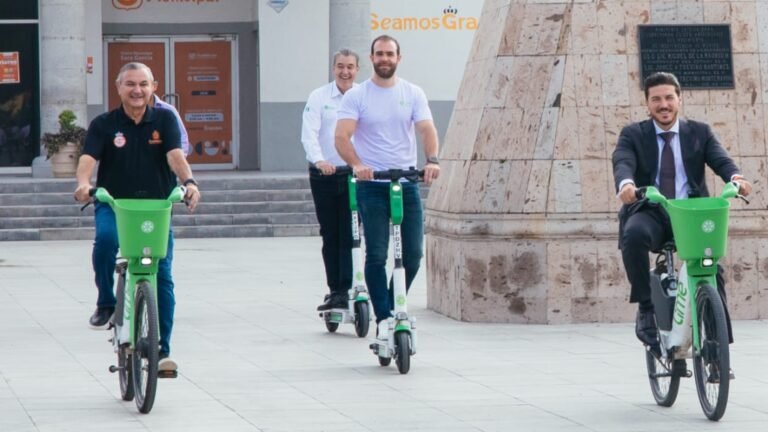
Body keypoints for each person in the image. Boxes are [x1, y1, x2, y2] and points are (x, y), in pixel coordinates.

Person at [74, 62, 201, 373]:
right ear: (119, 88)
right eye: (130, 84)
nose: (137, 90)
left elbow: (175, 155)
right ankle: (106, 301)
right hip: (114, 203)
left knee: (163, 275)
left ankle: (162, 350)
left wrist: (189, 183)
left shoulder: (165, 119)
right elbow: (89, 158)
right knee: (105, 241)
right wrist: (83, 184)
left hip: (155, 207)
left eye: (143, 84)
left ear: (153, 86)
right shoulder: (104, 124)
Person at [612, 71, 752, 350]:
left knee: (713, 267)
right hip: (651, 210)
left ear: (679, 99)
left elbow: (721, 160)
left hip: (690, 214)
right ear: (647, 103)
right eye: (656, 99)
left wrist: (735, 179)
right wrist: (626, 184)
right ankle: (646, 309)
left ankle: (717, 343)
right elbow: (623, 161)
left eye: (668, 98)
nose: (663, 105)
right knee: (634, 235)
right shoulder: (633, 134)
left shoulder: (699, 132)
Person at [335, 35, 440, 342]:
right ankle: (383, 318)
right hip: (372, 184)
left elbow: (426, 129)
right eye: (379, 54)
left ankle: (394, 306)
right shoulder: (357, 96)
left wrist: (432, 160)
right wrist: (356, 164)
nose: (385, 59)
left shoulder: (412, 93)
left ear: (399, 58)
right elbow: (342, 137)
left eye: (390, 54)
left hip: (405, 183)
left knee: (413, 254)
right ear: (372, 58)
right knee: (378, 254)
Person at [301, 48, 360, 311]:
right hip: (324, 174)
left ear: (357, 69)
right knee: (330, 234)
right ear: (333, 68)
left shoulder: (363, 96)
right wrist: (319, 160)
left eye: (349, 67)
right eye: (340, 67)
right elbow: (309, 133)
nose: (345, 72)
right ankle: (335, 290)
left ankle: (350, 287)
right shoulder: (319, 96)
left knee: (352, 234)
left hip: (354, 175)